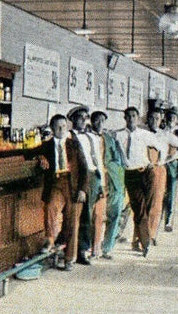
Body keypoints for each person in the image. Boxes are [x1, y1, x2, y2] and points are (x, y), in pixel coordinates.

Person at [33, 114, 88, 271]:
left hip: (73, 186)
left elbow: (84, 168)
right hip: (56, 183)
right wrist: (40, 157)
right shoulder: (47, 145)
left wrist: (83, 190)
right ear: (52, 128)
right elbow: (30, 152)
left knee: (72, 222)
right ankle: (50, 239)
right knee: (50, 207)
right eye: (58, 127)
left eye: (64, 126)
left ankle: (70, 259)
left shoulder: (74, 144)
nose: (61, 129)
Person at [112, 107, 163, 257]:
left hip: (147, 173)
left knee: (148, 208)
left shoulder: (145, 134)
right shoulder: (118, 135)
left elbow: (161, 147)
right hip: (131, 175)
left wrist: (158, 162)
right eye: (128, 116)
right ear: (125, 118)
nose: (131, 119)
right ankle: (145, 244)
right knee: (140, 209)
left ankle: (138, 240)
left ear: (138, 118)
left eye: (134, 116)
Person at [68, 106, 106, 265]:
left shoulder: (92, 137)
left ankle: (83, 250)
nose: (84, 120)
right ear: (73, 120)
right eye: (80, 117)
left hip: (94, 177)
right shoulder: (69, 137)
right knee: (76, 216)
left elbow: (98, 159)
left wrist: (101, 183)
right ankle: (72, 253)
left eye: (86, 117)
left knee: (88, 216)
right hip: (78, 179)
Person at [93, 110, 127, 259]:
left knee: (114, 213)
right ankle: (94, 248)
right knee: (96, 216)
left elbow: (118, 160)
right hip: (96, 180)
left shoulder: (110, 139)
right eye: (96, 120)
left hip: (112, 180)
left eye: (102, 120)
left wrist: (114, 173)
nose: (100, 123)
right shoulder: (88, 138)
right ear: (91, 122)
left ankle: (107, 248)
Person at [144, 108, 170, 245]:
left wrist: (164, 161)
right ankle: (140, 236)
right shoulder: (141, 133)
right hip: (143, 169)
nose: (154, 121)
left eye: (157, 119)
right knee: (142, 203)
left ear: (161, 121)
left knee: (156, 204)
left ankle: (151, 235)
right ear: (147, 119)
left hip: (158, 169)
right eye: (152, 118)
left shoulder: (164, 135)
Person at [160, 108, 178, 232]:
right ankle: (158, 218)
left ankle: (169, 220)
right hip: (161, 164)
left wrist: (172, 157)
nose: (171, 120)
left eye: (174, 118)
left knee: (171, 193)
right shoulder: (160, 132)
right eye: (169, 118)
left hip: (173, 165)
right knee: (160, 191)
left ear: (176, 120)